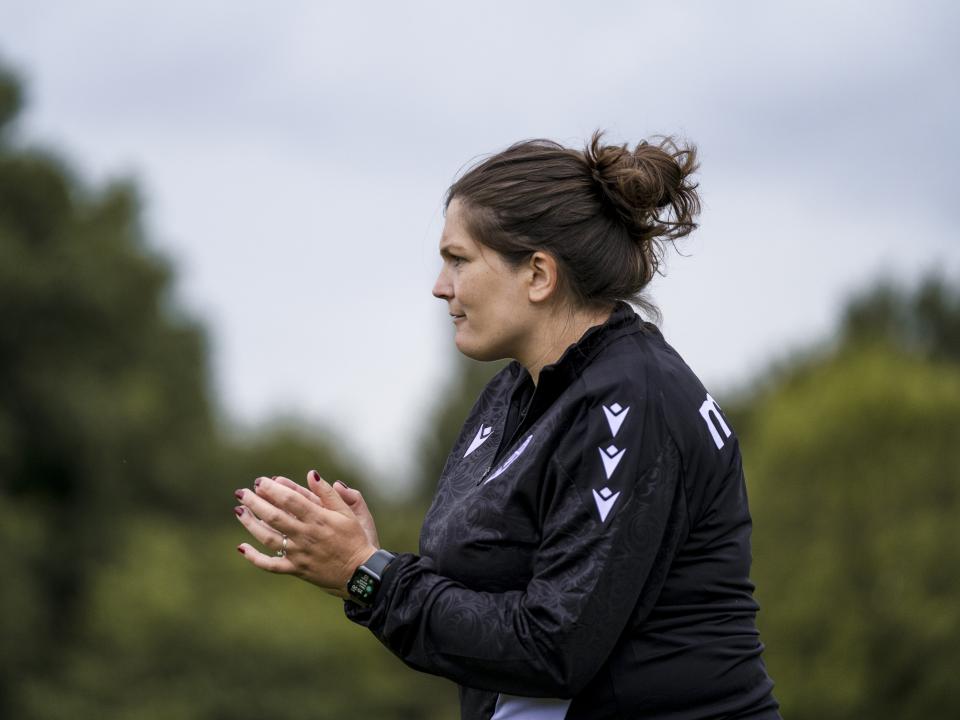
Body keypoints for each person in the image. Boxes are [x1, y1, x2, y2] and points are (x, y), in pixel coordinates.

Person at [233, 131, 782, 719]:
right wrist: (367, 558)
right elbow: (483, 593)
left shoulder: (629, 399)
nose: (441, 286)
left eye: (459, 260)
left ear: (539, 275)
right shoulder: (519, 389)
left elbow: (555, 645)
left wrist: (367, 576)